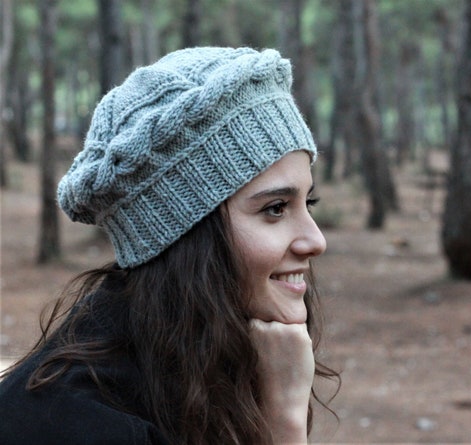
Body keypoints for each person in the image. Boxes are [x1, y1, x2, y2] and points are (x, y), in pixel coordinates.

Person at [0, 47, 339, 444]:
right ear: (184, 233)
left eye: (308, 202)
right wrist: (283, 423)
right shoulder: (73, 423)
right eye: (276, 208)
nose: (316, 240)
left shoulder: (205, 353)